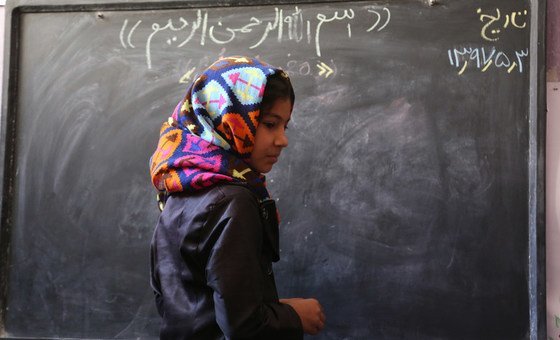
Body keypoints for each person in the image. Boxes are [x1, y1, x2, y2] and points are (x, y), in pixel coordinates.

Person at [149, 56, 325, 339]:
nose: (283, 140)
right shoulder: (234, 201)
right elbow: (243, 326)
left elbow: (186, 299)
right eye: (269, 123)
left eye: (285, 126)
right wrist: (294, 316)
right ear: (228, 118)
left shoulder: (178, 189)